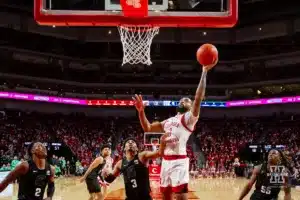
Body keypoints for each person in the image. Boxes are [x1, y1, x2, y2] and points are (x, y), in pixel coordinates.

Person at [133, 60, 217, 200]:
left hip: (179, 162)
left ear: (191, 108)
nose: (184, 100)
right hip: (165, 161)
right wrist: (141, 111)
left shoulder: (189, 119)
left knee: (180, 198)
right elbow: (147, 127)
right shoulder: (168, 121)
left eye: (187, 100)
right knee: (165, 196)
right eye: (182, 100)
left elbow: (198, 98)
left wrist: (204, 72)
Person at [104, 134, 167, 200]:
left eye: (133, 142)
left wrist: (162, 142)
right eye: (128, 142)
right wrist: (106, 175)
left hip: (144, 198)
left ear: (137, 148)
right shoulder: (120, 163)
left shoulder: (142, 156)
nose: (130, 143)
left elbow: (160, 153)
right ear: (124, 148)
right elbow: (110, 179)